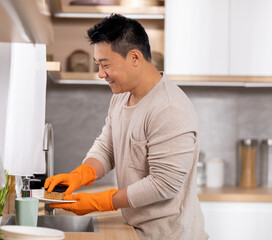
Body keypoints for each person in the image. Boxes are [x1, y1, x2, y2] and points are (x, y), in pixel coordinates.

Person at [44, 14, 208, 239]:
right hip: (137, 229)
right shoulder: (121, 97)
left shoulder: (169, 109)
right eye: (98, 65)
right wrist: (81, 175)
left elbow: (164, 184)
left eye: (106, 65)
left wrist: (101, 201)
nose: (101, 74)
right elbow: (107, 147)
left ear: (134, 57)